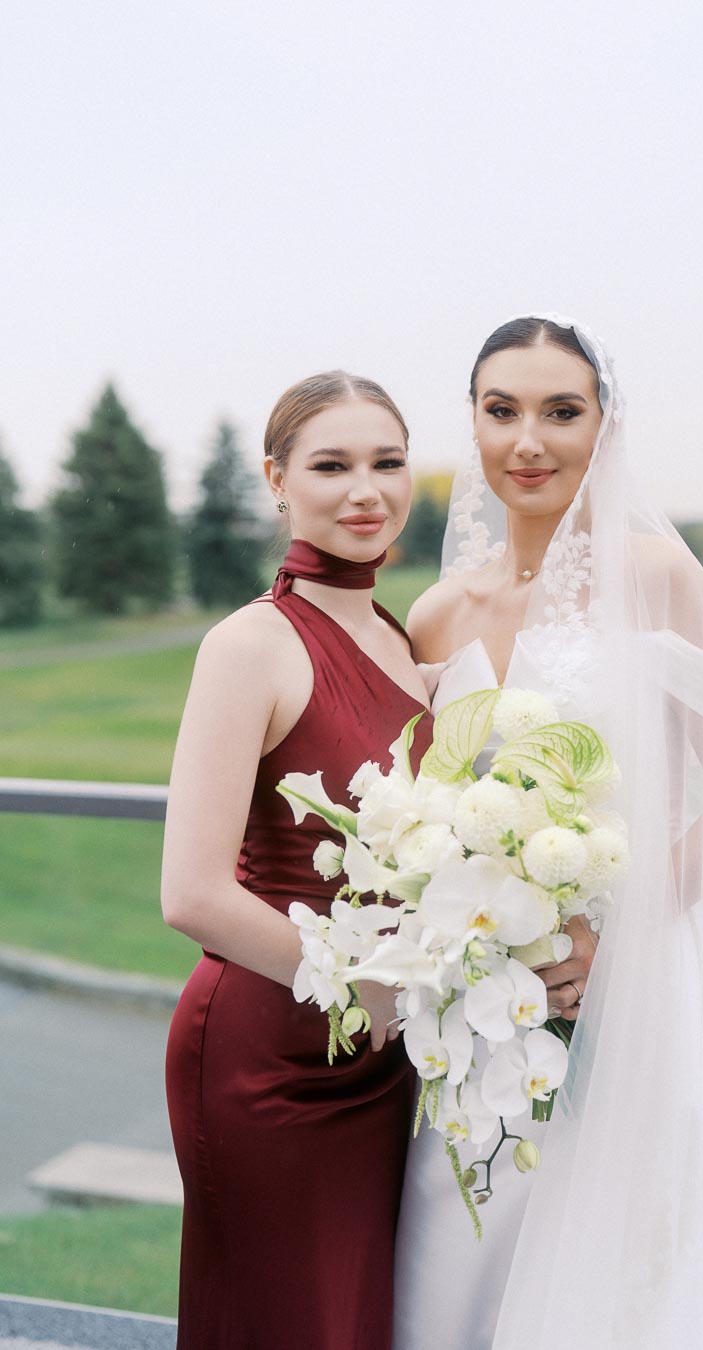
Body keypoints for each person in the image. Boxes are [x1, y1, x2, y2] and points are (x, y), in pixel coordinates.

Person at [393, 315, 703, 1349]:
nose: (528, 440)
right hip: (494, 994)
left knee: (647, 1249)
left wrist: (611, 931)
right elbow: (425, 810)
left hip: (655, 968)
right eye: (502, 411)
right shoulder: (438, 613)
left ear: (605, 429)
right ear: (474, 427)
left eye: (560, 411)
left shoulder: (655, 577)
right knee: (473, 1234)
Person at [162, 371, 430, 1350]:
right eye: (332, 465)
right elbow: (189, 893)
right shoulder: (250, 643)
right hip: (266, 1055)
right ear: (277, 480)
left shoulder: (398, 636)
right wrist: (366, 989)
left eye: (387, 462)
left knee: (351, 1323)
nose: (366, 490)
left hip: (373, 1057)